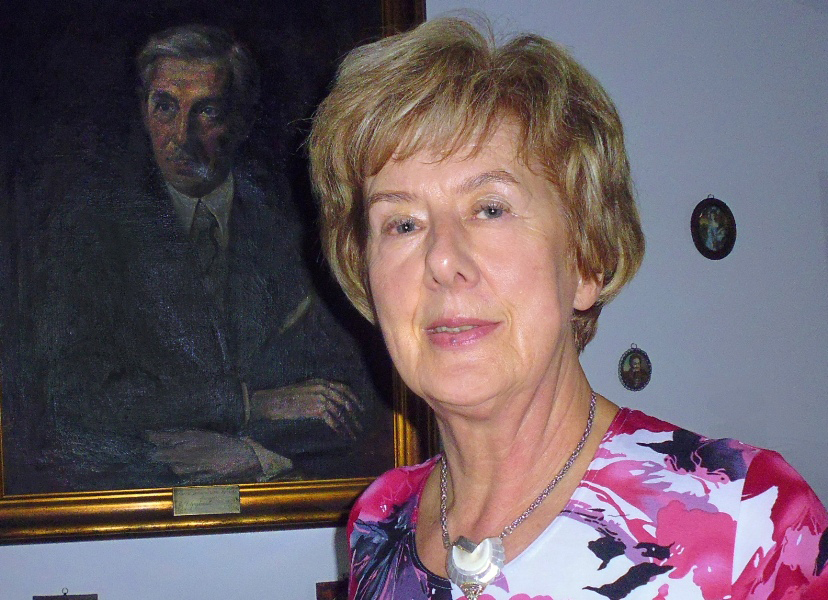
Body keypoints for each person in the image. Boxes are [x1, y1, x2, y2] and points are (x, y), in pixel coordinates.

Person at [309, 17, 828, 599]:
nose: (442, 259)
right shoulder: (378, 522)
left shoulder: (751, 523)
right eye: (402, 223)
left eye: (490, 209)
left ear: (586, 261)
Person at [5, 24, 384, 493]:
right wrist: (249, 405)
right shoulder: (90, 230)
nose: (180, 136)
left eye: (206, 112)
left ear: (242, 120)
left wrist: (257, 457)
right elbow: (71, 400)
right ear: (144, 111)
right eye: (165, 107)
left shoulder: (293, 227)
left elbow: (350, 397)